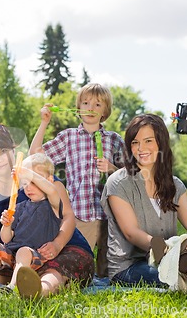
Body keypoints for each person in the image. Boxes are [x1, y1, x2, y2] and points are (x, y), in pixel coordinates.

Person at [0, 123, 94, 298]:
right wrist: (3, 234)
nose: (0, 159)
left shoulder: (41, 177)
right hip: (17, 254)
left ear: (13, 150)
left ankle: (39, 288)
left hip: (59, 248)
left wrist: (57, 244)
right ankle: (16, 281)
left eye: (4, 151)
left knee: (60, 268)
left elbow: (67, 216)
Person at [101, 113, 187, 287]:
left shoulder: (174, 184)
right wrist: (165, 249)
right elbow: (131, 232)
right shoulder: (118, 182)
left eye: (148, 141)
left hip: (169, 259)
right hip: (128, 267)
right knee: (175, 278)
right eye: (135, 142)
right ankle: (181, 267)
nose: (140, 148)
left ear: (161, 143)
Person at [29, 82, 125, 277]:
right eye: (86, 103)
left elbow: (129, 175)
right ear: (78, 108)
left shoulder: (114, 140)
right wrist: (44, 123)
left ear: (105, 111)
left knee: (109, 272)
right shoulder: (69, 137)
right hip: (81, 214)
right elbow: (35, 154)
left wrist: (112, 168)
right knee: (80, 263)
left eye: (97, 105)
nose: (90, 108)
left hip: (110, 215)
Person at [0, 153, 62, 294]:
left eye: (34, 182)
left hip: (37, 256)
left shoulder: (53, 205)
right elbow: (6, 239)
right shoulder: (20, 206)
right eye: (25, 183)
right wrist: (7, 225)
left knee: (23, 251)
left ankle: (12, 288)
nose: (28, 188)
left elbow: (51, 190)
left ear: (49, 180)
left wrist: (28, 173)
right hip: (13, 255)